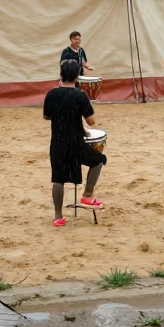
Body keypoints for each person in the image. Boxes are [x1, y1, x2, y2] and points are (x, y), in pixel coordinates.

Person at [44, 59, 106, 226]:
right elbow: (92, 121)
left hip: (57, 143)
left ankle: (58, 216)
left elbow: (46, 116)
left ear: (61, 75)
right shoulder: (80, 95)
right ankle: (87, 195)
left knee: (58, 179)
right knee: (99, 160)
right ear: (77, 77)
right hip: (75, 143)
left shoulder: (51, 94)